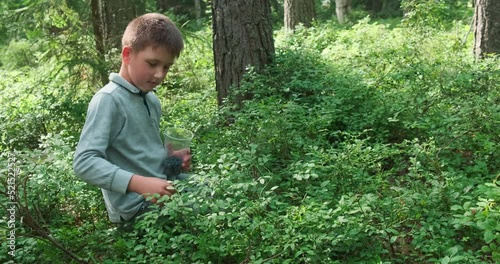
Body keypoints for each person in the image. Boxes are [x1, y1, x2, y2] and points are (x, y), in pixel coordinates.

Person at [73, 13, 191, 228]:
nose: (159, 75)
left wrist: (172, 161)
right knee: (201, 214)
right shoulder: (108, 100)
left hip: (163, 187)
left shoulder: (151, 100)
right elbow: (84, 162)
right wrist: (139, 184)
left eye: (166, 67)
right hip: (136, 207)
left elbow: (141, 156)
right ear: (127, 55)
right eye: (152, 63)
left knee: (216, 192)